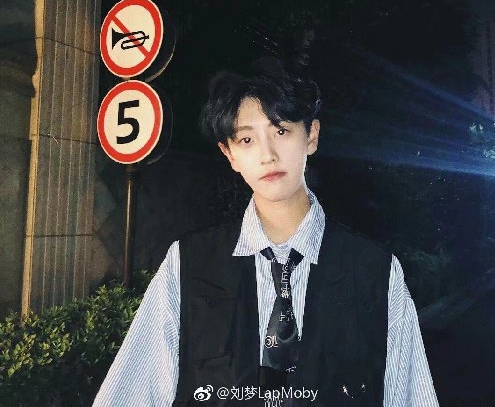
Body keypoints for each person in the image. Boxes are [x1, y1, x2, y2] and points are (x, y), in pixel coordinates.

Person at [93, 56, 439, 407]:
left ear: (311, 135)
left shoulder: (375, 272)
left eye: (281, 131)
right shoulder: (187, 264)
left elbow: (410, 396)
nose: (267, 155)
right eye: (246, 139)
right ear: (229, 154)